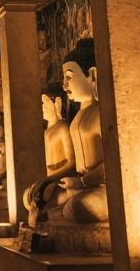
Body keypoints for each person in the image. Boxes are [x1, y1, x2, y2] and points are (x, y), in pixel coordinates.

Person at [55, 38, 108, 222]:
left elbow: (114, 162)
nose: (64, 85)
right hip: (81, 185)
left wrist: (83, 182)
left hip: (103, 187)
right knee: (40, 199)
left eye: (69, 77)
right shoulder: (77, 117)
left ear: (92, 75)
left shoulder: (103, 113)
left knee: (77, 207)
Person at [23, 82, 76, 222]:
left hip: (61, 180)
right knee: (26, 196)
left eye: (45, 104)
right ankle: (42, 215)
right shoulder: (47, 132)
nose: (42, 108)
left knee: (58, 199)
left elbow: (72, 162)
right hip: (49, 182)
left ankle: (43, 217)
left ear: (57, 104)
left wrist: (49, 180)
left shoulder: (63, 127)